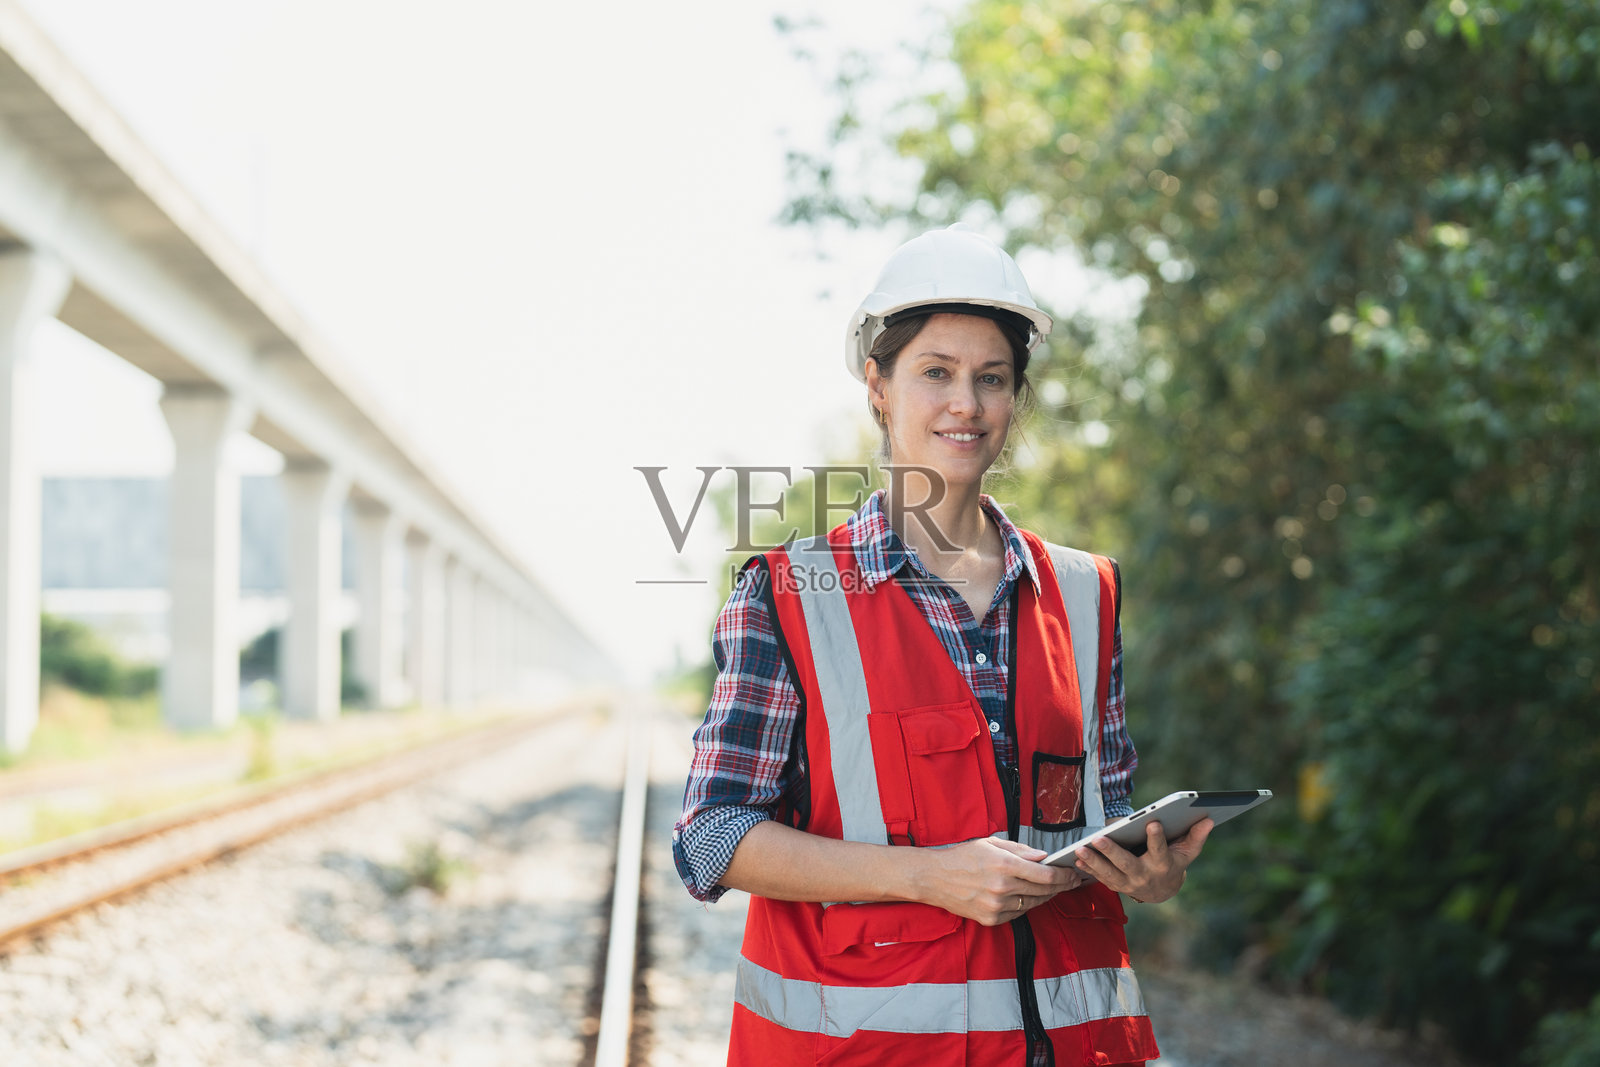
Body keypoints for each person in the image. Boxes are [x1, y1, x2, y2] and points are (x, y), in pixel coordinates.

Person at [672, 225, 1212, 1067]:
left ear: (1014, 400)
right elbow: (710, 837)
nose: (966, 403)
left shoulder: (1083, 592)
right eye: (936, 372)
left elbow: (1101, 813)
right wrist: (928, 874)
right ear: (878, 385)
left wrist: (1151, 871)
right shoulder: (786, 597)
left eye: (991, 379)